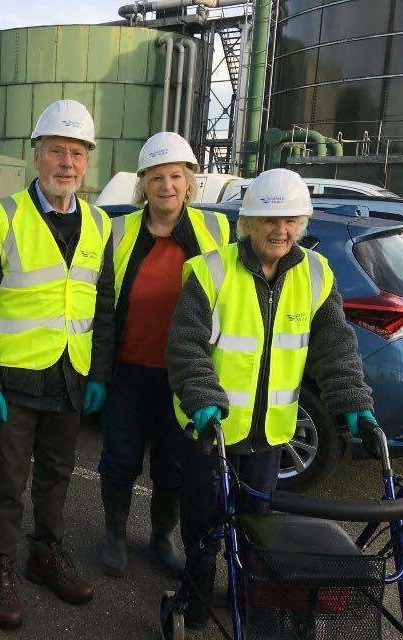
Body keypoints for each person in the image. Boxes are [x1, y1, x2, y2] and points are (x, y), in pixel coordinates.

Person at [165, 168, 376, 631]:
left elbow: (335, 346)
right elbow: (185, 345)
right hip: (211, 429)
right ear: (248, 222)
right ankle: (195, 594)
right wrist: (202, 395)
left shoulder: (316, 275)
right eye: (268, 220)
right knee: (204, 525)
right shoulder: (211, 271)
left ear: (300, 225)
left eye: (289, 221)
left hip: (269, 434)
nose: (279, 230)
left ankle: (249, 597)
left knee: (258, 527)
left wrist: (351, 400)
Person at [0, 99, 114, 630]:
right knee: (9, 483)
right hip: (13, 382)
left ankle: (44, 555)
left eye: (76, 153)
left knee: (57, 477)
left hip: (71, 381)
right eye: (56, 150)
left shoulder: (99, 225)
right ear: (36, 155)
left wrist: (98, 374)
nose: (66, 163)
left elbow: (104, 307)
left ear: (87, 161)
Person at [98, 132, 231, 578]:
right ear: (143, 184)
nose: (167, 185)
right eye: (157, 177)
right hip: (129, 371)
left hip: (186, 377)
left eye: (176, 176)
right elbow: (101, 305)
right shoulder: (118, 231)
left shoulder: (217, 230)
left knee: (173, 466)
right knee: (119, 459)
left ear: (190, 182)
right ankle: (114, 533)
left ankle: (160, 537)